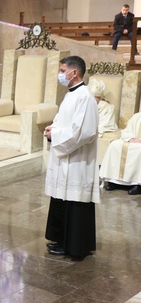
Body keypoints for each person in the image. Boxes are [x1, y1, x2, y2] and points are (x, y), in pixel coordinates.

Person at [44, 55, 100, 259]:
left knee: (75, 201)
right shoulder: (71, 94)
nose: (60, 74)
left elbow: (84, 133)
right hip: (67, 157)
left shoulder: (84, 96)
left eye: (62, 70)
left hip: (77, 161)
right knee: (63, 198)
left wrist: (55, 135)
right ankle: (62, 240)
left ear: (74, 72)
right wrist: (53, 128)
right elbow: (64, 121)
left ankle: (73, 246)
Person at [99, 111, 141, 195]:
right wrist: (130, 138)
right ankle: (113, 181)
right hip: (133, 140)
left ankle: (137, 184)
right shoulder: (137, 116)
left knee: (138, 150)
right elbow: (126, 130)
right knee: (114, 145)